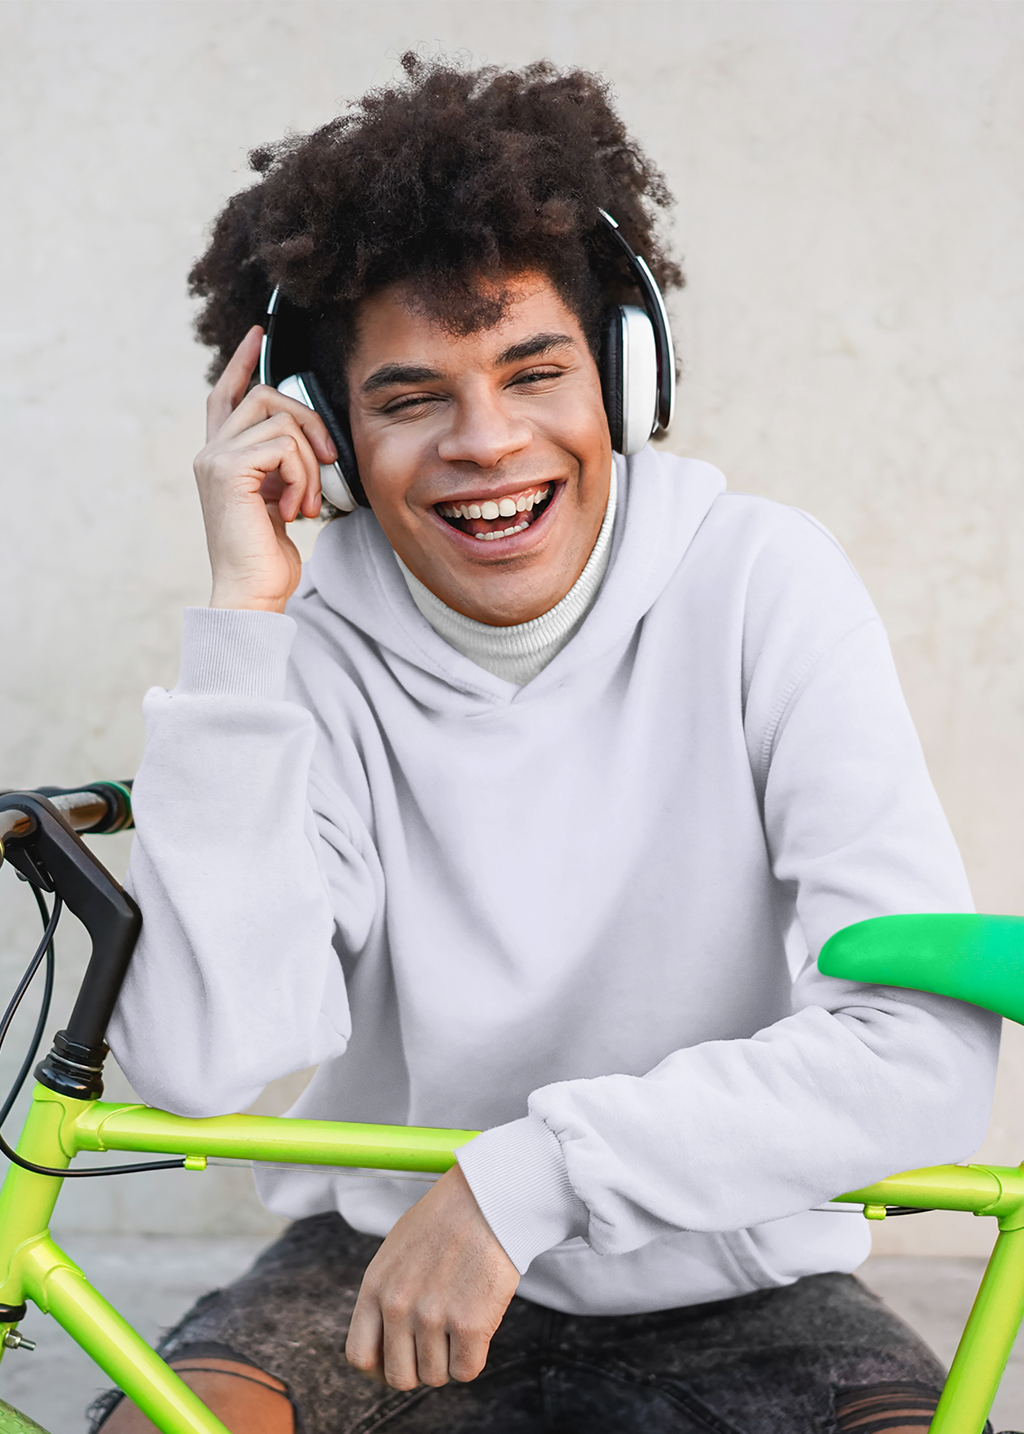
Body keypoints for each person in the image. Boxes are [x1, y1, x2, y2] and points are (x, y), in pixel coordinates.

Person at [96, 55, 998, 1434]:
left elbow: (924, 1053)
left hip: (733, 1265)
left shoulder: (766, 583)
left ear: (626, 377)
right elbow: (199, 1061)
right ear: (325, 431)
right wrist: (243, 626)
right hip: (379, 1256)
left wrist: (535, 1176)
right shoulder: (309, 643)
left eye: (535, 370)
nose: (488, 441)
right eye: (409, 399)